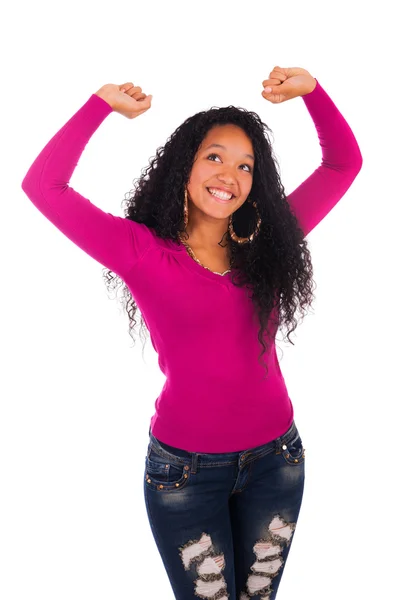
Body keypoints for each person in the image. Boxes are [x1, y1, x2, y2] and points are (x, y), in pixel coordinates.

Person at [21, 66, 362, 600]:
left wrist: (313, 93)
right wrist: (99, 106)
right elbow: (44, 187)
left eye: (245, 165)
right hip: (185, 476)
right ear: (185, 165)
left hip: (278, 462)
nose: (230, 173)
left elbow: (344, 164)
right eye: (215, 157)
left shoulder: (271, 243)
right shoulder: (141, 251)